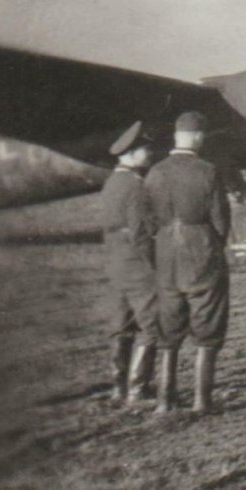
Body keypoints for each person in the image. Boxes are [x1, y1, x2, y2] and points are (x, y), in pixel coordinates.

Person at [144, 111, 230, 415]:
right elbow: (221, 220)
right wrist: (213, 245)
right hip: (200, 249)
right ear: (197, 137)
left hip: (166, 251)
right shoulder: (208, 171)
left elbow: (148, 220)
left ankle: (165, 400)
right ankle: (201, 401)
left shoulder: (155, 172)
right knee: (208, 323)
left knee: (169, 326)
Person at [101, 120, 160, 404]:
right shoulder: (136, 185)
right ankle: (138, 388)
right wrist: (155, 265)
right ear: (132, 152)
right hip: (136, 262)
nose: (150, 154)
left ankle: (118, 387)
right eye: (145, 149)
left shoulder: (112, 183)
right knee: (153, 324)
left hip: (115, 259)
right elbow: (140, 232)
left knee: (121, 324)